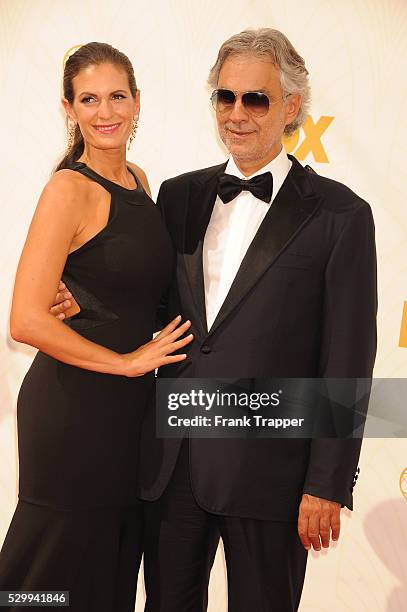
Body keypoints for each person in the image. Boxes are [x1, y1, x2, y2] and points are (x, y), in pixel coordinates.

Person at [52, 29, 377, 612]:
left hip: (273, 473)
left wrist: (326, 483)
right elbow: (151, 306)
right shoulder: (178, 196)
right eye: (226, 97)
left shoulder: (340, 215)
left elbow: (348, 357)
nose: (238, 113)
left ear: (291, 107)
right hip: (173, 462)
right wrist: (86, 302)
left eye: (256, 99)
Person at [0, 42, 193, 612]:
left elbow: (125, 287)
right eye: (89, 99)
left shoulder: (137, 178)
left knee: (104, 575)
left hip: (125, 422)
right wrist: (128, 361)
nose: (104, 111)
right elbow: (25, 318)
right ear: (69, 108)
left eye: (116, 96)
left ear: (137, 102)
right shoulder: (68, 188)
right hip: (72, 411)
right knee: (44, 578)